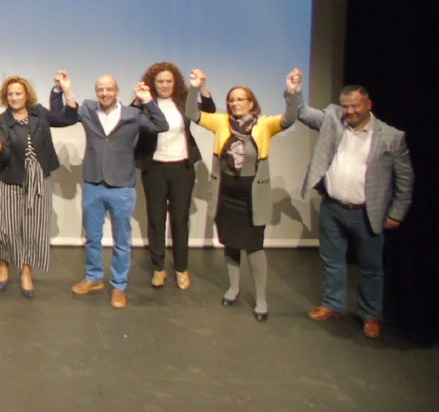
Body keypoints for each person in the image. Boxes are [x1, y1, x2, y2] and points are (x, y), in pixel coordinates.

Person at [185, 68, 302, 321]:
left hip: (251, 196)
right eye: (232, 100)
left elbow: (290, 119)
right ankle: (233, 287)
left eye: (241, 99)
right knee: (231, 242)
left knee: (254, 247)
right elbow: (192, 113)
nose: (235, 103)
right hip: (225, 193)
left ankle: (260, 298)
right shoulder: (221, 121)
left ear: (251, 103)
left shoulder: (265, 124)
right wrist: (194, 87)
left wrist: (292, 92)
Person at [298, 84, 412, 338]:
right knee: (331, 259)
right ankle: (332, 303)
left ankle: (370, 314)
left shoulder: (391, 136)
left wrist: (397, 213)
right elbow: (302, 113)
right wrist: (293, 91)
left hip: (367, 213)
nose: (349, 111)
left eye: (355, 106)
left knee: (371, 267)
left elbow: (405, 181)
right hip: (333, 207)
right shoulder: (333, 121)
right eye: (345, 106)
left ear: (368, 105)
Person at [70, 75, 169, 309]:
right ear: (96, 91)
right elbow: (62, 115)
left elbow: (161, 125)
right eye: (100, 89)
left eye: (109, 89)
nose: (104, 93)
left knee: (121, 240)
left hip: (122, 185)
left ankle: (119, 286)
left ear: (117, 90)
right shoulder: (87, 109)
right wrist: (63, 90)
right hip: (93, 182)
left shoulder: (133, 115)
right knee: (92, 237)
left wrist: (148, 101)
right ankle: (94, 278)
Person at [0, 74, 79, 297]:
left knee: (33, 227)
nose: (14, 98)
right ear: (5, 97)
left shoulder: (39, 113)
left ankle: (26, 270)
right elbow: (4, 154)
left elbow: (68, 119)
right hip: (10, 175)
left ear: (26, 95)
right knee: (7, 227)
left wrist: (67, 91)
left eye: (18, 93)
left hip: (39, 177)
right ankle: (4, 262)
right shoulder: (0, 120)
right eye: (10, 94)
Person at [133, 63, 215, 290]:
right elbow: (129, 117)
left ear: (175, 82)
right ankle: (158, 269)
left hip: (182, 167)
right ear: (153, 83)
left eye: (169, 81)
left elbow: (208, 111)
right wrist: (139, 98)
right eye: (160, 81)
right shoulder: (146, 103)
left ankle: (181, 269)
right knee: (156, 220)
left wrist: (202, 87)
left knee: (180, 220)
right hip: (155, 168)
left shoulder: (183, 101)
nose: (165, 85)